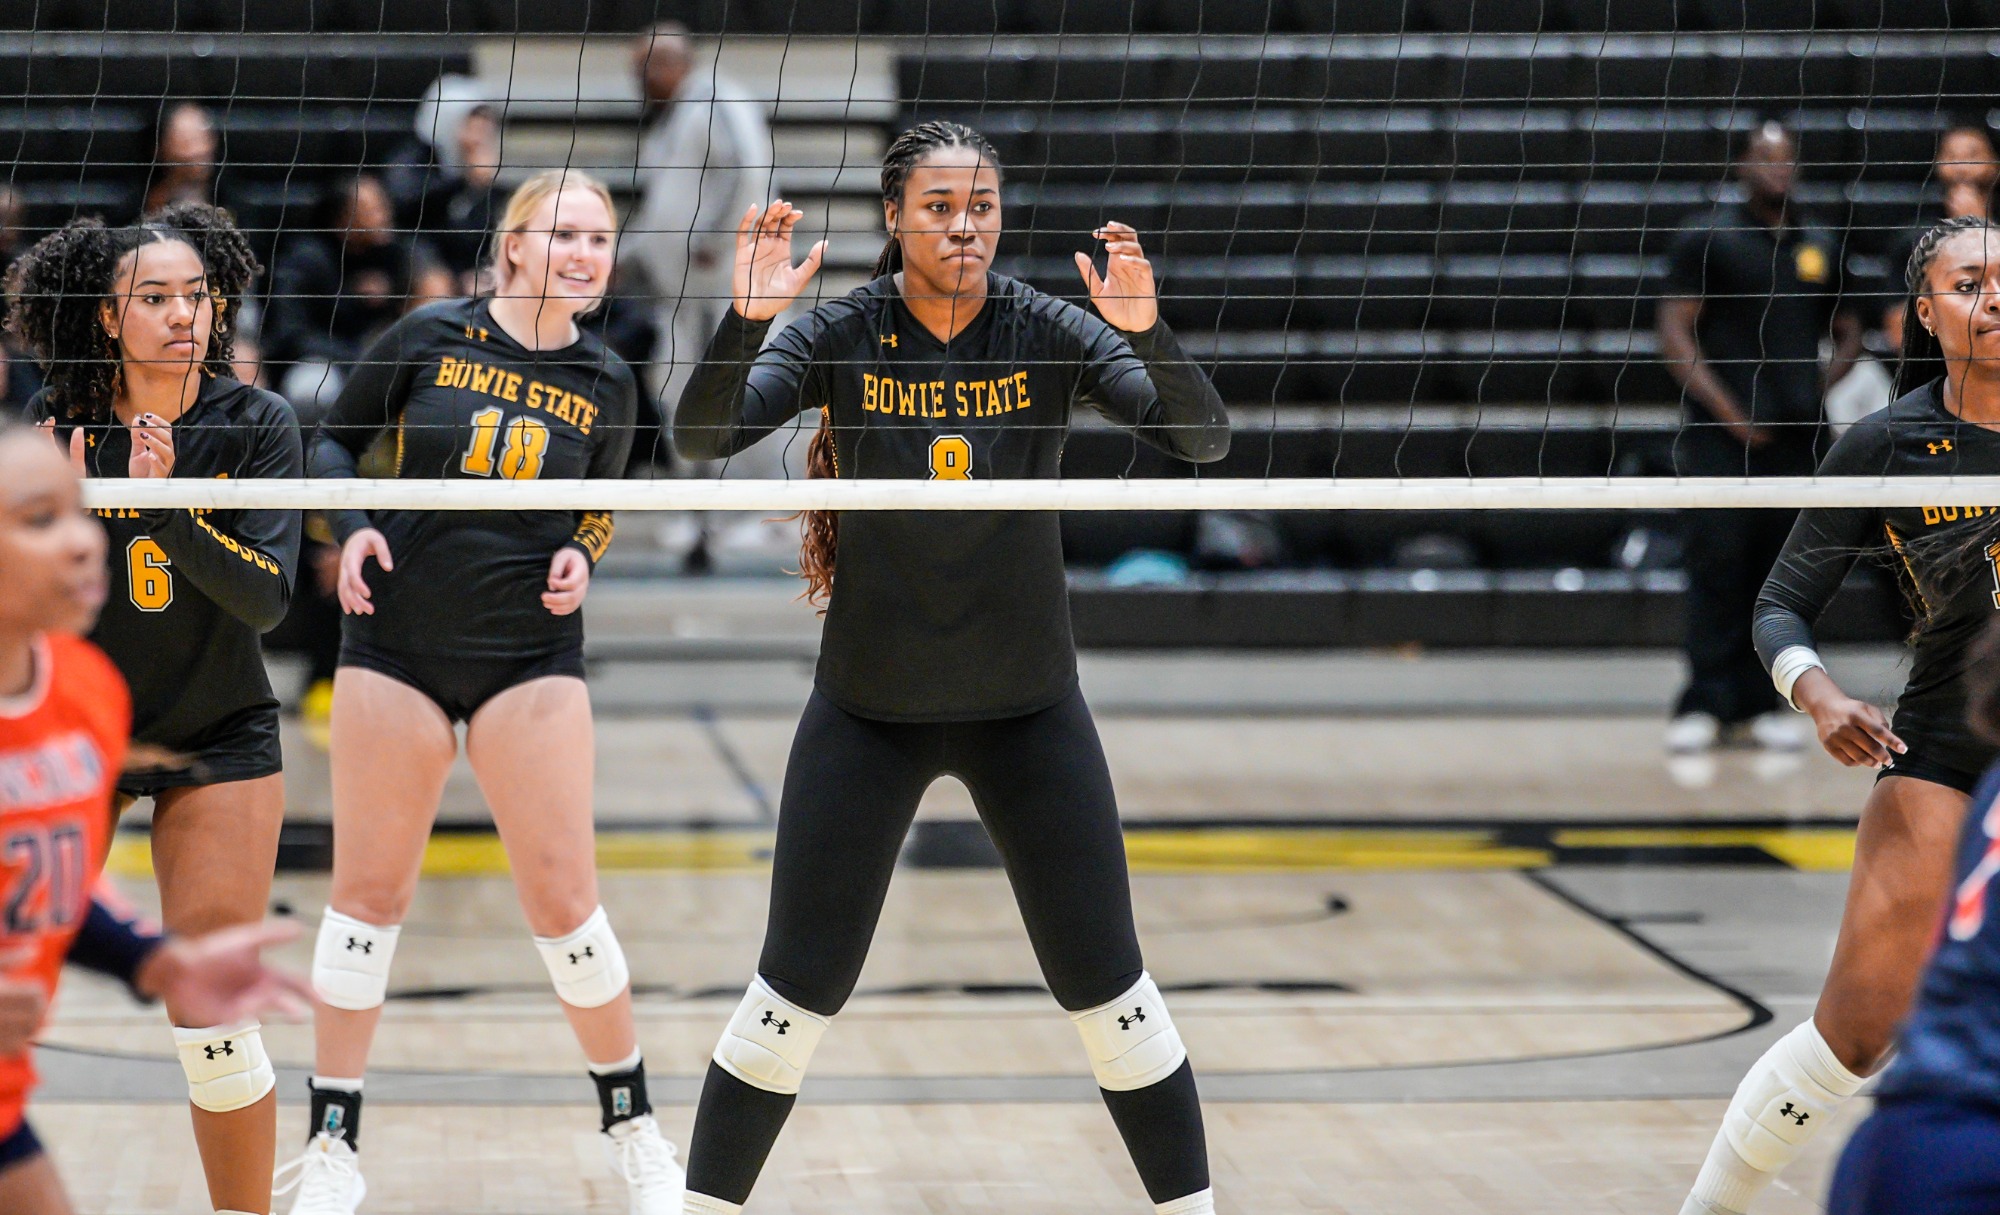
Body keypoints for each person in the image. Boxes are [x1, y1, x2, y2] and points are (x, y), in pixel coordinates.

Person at [673, 120, 1231, 1215]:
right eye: (937, 206)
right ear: (891, 217)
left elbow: (1199, 438)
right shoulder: (841, 329)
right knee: (793, 994)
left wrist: (1148, 332)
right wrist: (744, 323)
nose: (963, 226)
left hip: (1026, 712)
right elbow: (701, 437)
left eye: (979, 205)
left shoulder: (1045, 328)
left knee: (1109, 991)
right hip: (867, 713)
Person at [280, 169, 679, 1215]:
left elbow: (601, 500)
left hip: (528, 657)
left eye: (597, 237)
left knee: (565, 905)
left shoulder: (609, 377)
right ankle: (331, 1143)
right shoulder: (429, 338)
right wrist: (350, 523)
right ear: (510, 248)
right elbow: (327, 440)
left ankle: (634, 1127)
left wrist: (585, 555)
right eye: (560, 234)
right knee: (367, 902)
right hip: (395, 650)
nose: (583, 253)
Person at [1677, 215, 2000, 1214]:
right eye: (1966, 284)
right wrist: (1815, 695)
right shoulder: (1886, 443)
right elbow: (1776, 606)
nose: (1992, 299)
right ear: (1922, 312)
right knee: (1854, 1038)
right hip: (1947, 757)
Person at [4, 202, 303, 1215]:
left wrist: (165, 508)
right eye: (155, 298)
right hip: (72, 730)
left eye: (197, 295)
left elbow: (267, 597)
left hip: (216, 728)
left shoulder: (256, 423)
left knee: (213, 1026)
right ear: (103, 315)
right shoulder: (49, 430)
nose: (184, 314)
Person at [1658, 121, 1866, 755]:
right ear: (1743, 166)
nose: (1778, 170)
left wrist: (1814, 389)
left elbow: (1851, 331)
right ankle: (1704, 701)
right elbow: (1674, 335)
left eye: (1787, 160)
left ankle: (1765, 704)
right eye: (1765, 159)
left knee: (1783, 576)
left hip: (1799, 443)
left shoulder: (1820, 241)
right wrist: (1730, 414)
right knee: (1716, 565)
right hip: (1721, 443)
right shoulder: (1707, 237)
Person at [620, 21, 773, 477]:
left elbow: (746, 170)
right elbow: (665, 204)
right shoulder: (675, 115)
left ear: (676, 62)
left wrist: (714, 239)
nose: (640, 79)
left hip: (721, 289)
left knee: (730, 393)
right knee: (688, 395)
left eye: (647, 67)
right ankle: (705, 514)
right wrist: (625, 259)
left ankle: (750, 511)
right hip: (685, 291)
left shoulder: (714, 99)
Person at [262, 172, 422, 412]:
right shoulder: (306, 260)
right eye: (372, 210)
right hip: (319, 362)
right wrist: (359, 355)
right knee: (311, 387)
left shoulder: (394, 255)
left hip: (374, 364)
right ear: (342, 220)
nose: (384, 216)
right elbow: (290, 336)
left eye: (383, 205)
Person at [1877, 126, 2000, 351]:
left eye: (1973, 156)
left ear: (1995, 164)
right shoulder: (1915, 242)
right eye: (1952, 157)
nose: (1962, 167)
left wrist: (1980, 226)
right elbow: (1898, 334)